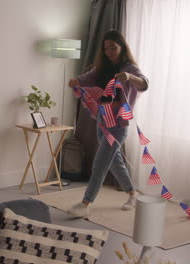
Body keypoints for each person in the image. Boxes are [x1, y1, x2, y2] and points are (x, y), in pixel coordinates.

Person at [66, 30, 149, 217]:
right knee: (115, 162)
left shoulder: (128, 68)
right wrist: (76, 81)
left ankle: (85, 203)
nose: (109, 51)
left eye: (113, 47)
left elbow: (144, 84)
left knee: (100, 163)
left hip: (119, 125)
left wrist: (129, 77)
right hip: (102, 120)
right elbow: (86, 78)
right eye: (106, 48)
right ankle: (132, 193)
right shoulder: (101, 67)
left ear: (122, 47)